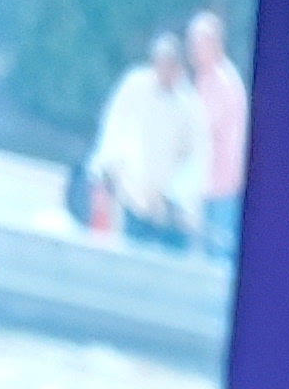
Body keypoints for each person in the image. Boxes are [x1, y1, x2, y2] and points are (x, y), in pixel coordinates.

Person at [84, 27, 207, 249]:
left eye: (171, 64)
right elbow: (114, 129)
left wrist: (178, 196)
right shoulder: (134, 87)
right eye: (161, 62)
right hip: (132, 197)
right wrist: (104, 170)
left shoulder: (190, 107)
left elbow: (196, 158)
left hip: (168, 211)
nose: (165, 69)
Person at [186, 9, 248, 260]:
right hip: (209, 184)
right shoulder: (205, 78)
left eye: (198, 44)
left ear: (214, 44)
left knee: (219, 257)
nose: (193, 50)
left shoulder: (222, 82)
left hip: (223, 186)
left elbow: (202, 127)